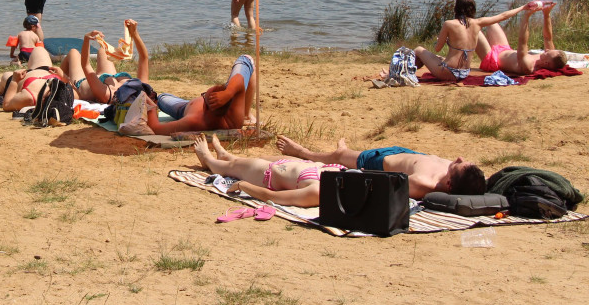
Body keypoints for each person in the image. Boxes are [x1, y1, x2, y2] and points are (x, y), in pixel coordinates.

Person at [275, 136, 486, 199]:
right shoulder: (468, 179)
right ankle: (343, 152)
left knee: (340, 156)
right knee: (343, 154)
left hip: (379, 161)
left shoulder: (423, 184)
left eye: (457, 165)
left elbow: (385, 184)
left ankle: (301, 152)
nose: (458, 158)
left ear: (449, 184)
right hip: (409, 154)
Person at [193, 134, 346, 207]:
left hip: (269, 175)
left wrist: (243, 185)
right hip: (298, 166)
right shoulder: (346, 174)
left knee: (235, 166)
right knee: (257, 158)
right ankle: (226, 156)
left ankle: (208, 160)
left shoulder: (317, 193)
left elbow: (273, 196)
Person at [413, 0, 532, 82]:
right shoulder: (478, 23)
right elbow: (503, 16)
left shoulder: (448, 24)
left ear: (456, 9)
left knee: (419, 50)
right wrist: (522, 7)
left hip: (448, 72)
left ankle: (406, 72)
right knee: (439, 58)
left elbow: (437, 48)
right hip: (464, 73)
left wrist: (444, 40)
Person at [148, 54, 258, 134]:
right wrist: (228, 92)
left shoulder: (194, 121)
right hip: (225, 97)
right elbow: (239, 78)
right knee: (246, 59)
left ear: (205, 108)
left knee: (162, 98)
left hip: (183, 108)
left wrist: (151, 105)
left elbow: (156, 128)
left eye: (204, 95)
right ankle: (248, 114)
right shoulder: (234, 110)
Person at [61, 19, 148, 103]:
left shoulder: (107, 95)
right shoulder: (138, 90)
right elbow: (144, 58)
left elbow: (86, 65)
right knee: (103, 50)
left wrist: (86, 40)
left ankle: (56, 82)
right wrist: (134, 33)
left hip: (83, 83)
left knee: (74, 53)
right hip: (109, 77)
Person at [476, 1, 566, 75]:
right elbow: (548, 38)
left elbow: (522, 42)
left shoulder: (528, 66)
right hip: (505, 49)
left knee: (473, 28)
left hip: (492, 60)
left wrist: (526, 16)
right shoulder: (549, 57)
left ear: (546, 63)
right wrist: (546, 15)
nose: (546, 50)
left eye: (547, 53)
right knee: (491, 21)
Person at [0, 46, 67, 112]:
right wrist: (64, 77)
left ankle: (1, 87)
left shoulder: (29, 98)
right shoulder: (65, 93)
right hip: (46, 71)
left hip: (21, 80)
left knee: (5, 76)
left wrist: (14, 80)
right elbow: (76, 89)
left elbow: (6, 105)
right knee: (39, 49)